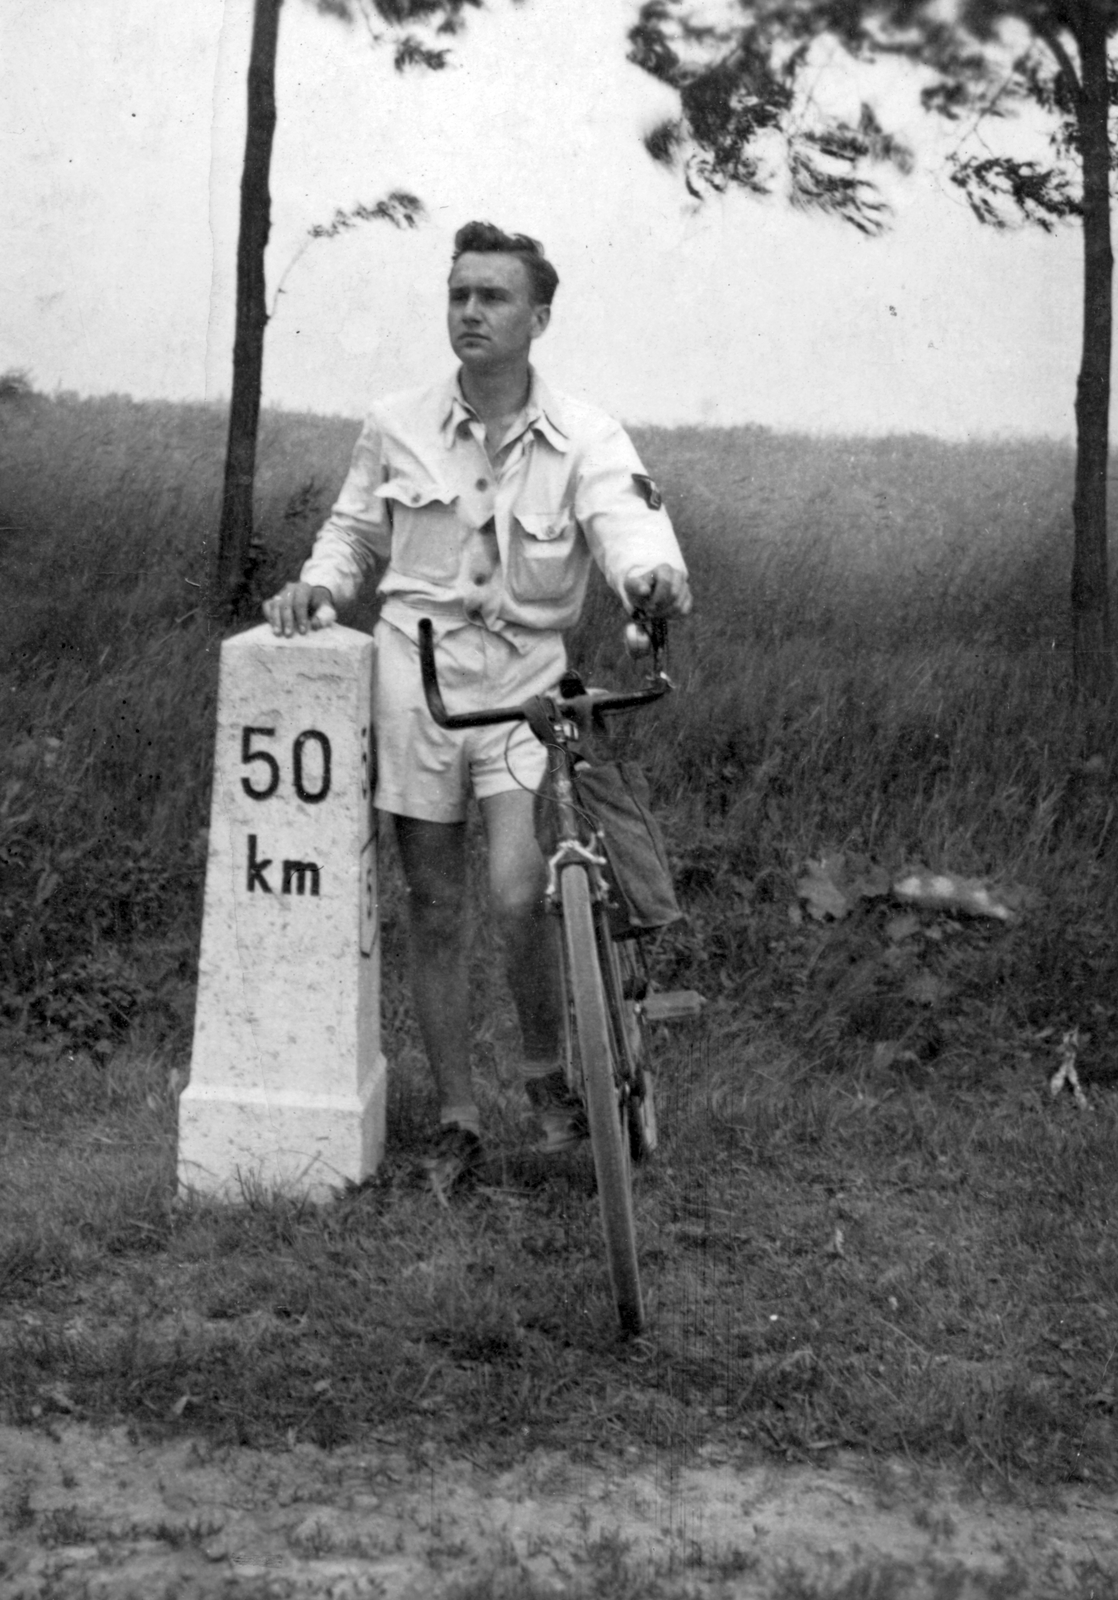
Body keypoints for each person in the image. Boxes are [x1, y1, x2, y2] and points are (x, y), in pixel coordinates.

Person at [264, 221, 691, 1194]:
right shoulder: (396, 420)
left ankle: (547, 1078)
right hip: (416, 688)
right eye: (457, 293)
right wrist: (319, 588)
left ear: (537, 317)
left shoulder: (585, 433)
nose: (469, 312)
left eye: (491, 297)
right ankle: (456, 1115)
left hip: (524, 694)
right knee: (433, 904)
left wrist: (650, 582)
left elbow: (629, 526)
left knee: (515, 886)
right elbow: (350, 532)